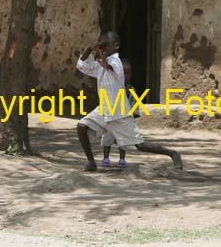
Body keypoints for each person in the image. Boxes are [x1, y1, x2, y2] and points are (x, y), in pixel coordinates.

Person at [76, 32, 183, 172]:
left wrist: (99, 52)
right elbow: (81, 64)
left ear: (116, 46)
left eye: (105, 45)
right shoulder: (99, 66)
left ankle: (173, 154)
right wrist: (90, 49)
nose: (102, 48)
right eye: (101, 44)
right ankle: (91, 163)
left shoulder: (116, 62)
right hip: (104, 110)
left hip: (119, 113)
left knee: (141, 146)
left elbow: (107, 65)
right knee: (81, 127)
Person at [101, 58, 140, 167]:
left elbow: (134, 104)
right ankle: (105, 157)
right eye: (123, 74)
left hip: (123, 118)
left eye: (128, 74)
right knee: (107, 138)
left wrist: (131, 116)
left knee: (123, 141)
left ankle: (122, 158)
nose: (126, 77)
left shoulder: (130, 89)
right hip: (111, 119)